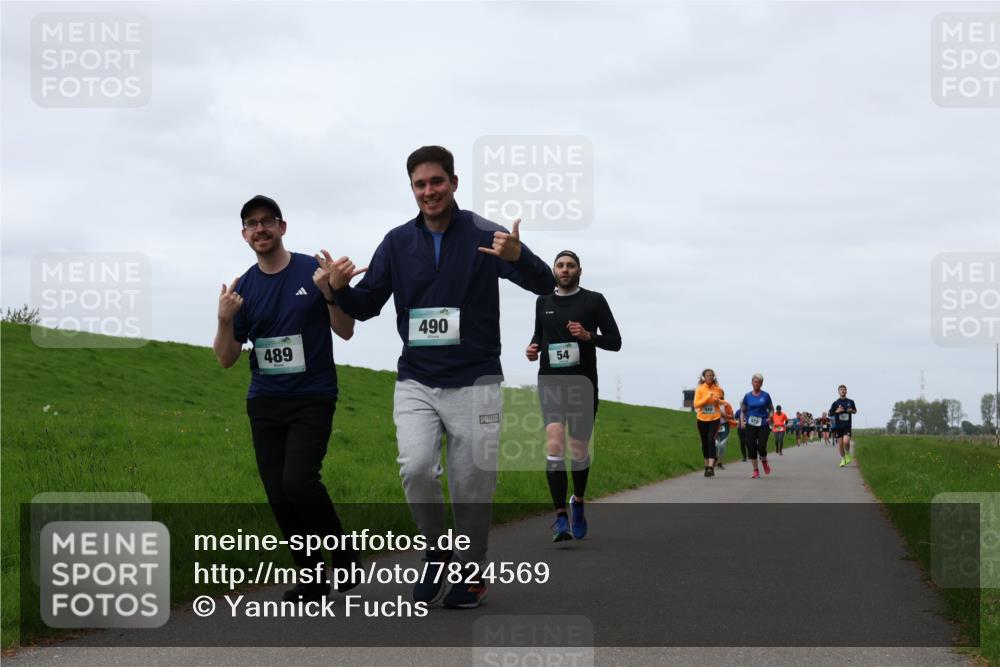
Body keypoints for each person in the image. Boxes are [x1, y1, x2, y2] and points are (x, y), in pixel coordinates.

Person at [324, 146, 556, 609]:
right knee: (415, 468)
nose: (428, 191)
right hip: (417, 380)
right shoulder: (395, 243)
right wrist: (335, 287)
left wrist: (519, 257)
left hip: (476, 381)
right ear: (412, 189)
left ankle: (471, 572)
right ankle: (436, 552)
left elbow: (546, 282)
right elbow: (365, 306)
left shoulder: (485, 234)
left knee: (472, 484)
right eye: (419, 184)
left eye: (436, 181)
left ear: (454, 182)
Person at [213, 194, 359, 603]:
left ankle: (343, 552)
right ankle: (312, 578)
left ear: (282, 226)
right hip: (265, 400)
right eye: (251, 224)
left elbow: (345, 331)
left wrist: (331, 292)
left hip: (312, 395)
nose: (259, 229)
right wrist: (224, 319)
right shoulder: (245, 287)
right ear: (244, 234)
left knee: (299, 482)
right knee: (278, 492)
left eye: (266, 222)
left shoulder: (311, 270)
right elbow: (226, 358)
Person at [526, 250, 621, 542]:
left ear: (580, 270)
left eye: (570, 266)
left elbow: (615, 342)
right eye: (560, 265)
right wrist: (532, 348)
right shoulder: (543, 302)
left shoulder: (593, 300)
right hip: (551, 382)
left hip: (582, 384)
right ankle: (559, 519)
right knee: (555, 441)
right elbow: (538, 337)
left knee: (578, 450)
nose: (565, 270)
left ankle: (577, 501)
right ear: (554, 270)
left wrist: (588, 336)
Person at [740, 373, 774, 479]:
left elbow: (771, 409)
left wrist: (770, 417)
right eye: (755, 381)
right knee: (751, 446)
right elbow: (743, 410)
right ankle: (755, 470)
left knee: (761, 446)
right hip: (750, 423)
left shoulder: (766, 395)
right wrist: (742, 421)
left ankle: (764, 461)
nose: (756, 384)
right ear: (752, 383)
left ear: (761, 384)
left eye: (759, 382)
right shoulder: (747, 396)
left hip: (763, 423)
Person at [693, 369, 725, 477]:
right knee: (704, 442)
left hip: (714, 418)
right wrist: (707, 397)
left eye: (711, 375)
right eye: (707, 375)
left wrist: (718, 401)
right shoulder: (699, 389)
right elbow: (696, 405)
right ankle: (706, 465)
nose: (709, 377)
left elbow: (723, 402)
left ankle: (711, 467)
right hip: (702, 419)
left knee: (711, 440)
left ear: (714, 377)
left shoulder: (718, 389)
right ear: (704, 377)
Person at [830, 385, 858, 467]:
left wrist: (851, 410)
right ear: (838, 392)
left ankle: (848, 453)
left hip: (847, 425)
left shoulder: (851, 401)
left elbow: (855, 411)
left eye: (844, 389)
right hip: (838, 426)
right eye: (841, 390)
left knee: (846, 442)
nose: (843, 391)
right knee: (840, 444)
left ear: (846, 391)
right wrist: (837, 411)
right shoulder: (835, 403)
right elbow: (830, 413)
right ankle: (843, 459)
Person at [715, 399, 738, 469]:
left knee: (721, 445)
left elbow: (732, 416)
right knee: (715, 444)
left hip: (724, 426)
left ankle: (720, 463)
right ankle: (714, 459)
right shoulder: (711, 404)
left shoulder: (726, 405)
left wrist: (725, 415)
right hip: (714, 426)